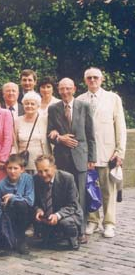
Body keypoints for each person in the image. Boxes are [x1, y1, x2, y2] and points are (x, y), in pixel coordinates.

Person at [77, 67, 126, 238]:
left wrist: (120, 151)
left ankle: (109, 223)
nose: (92, 80)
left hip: (107, 152)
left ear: (102, 79)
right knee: (89, 188)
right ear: (85, 81)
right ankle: (92, 220)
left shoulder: (113, 99)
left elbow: (120, 127)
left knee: (108, 190)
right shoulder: (80, 100)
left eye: (95, 77)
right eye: (89, 78)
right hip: (87, 154)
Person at [47, 77, 96, 244]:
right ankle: (64, 229)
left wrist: (92, 158)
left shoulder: (84, 106)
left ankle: (81, 231)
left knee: (80, 196)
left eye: (68, 88)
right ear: (58, 90)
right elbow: (50, 134)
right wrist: (60, 138)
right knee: (62, 195)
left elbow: (91, 135)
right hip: (61, 158)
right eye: (62, 89)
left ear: (74, 89)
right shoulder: (53, 108)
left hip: (80, 157)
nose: (65, 92)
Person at [33, 155, 83, 250]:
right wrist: (38, 210)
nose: (43, 174)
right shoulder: (36, 179)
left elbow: (72, 205)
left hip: (67, 214)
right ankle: (50, 234)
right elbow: (35, 201)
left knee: (66, 222)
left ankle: (74, 238)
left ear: (54, 168)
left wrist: (57, 215)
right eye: (40, 171)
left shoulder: (67, 178)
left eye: (46, 170)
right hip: (47, 215)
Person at [0, 154, 34, 254]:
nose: (12, 171)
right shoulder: (2, 184)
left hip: (25, 214)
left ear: (22, 169)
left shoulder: (28, 179)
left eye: (16, 168)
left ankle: (21, 240)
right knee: (0, 242)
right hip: (8, 216)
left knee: (20, 204)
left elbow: (30, 201)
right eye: (10, 168)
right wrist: (1, 218)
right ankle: (6, 239)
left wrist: (13, 197)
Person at [13, 91, 51, 174]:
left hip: (42, 163)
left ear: (38, 105)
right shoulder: (17, 121)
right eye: (26, 103)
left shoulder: (45, 120)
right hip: (23, 163)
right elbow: (14, 143)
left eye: (32, 104)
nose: (29, 106)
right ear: (23, 105)